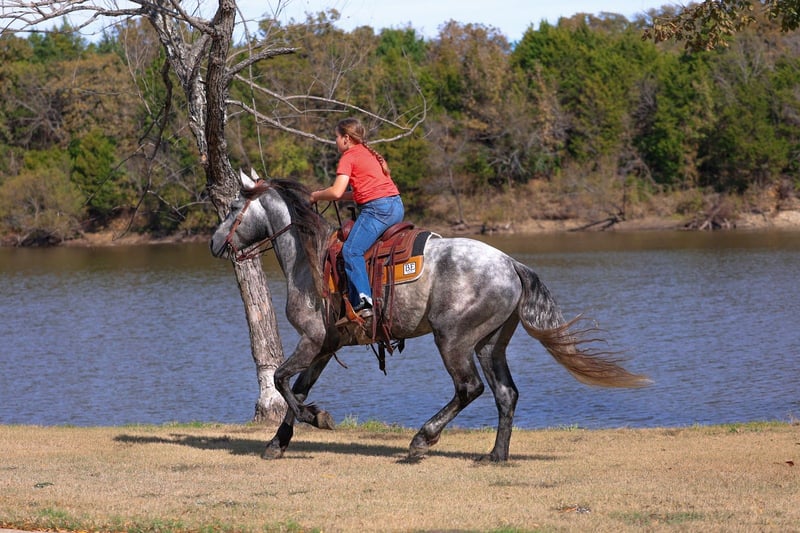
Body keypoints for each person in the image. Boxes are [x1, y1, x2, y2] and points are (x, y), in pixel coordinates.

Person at [310, 118, 404, 317]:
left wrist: (316, 196)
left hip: (377, 210)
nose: (335, 141)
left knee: (351, 251)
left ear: (346, 138)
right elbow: (358, 193)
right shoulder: (371, 154)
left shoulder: (349, 156)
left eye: (336, 137)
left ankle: (364, 301)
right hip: (396, 207)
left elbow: (336, 192)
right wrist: (331, 195)